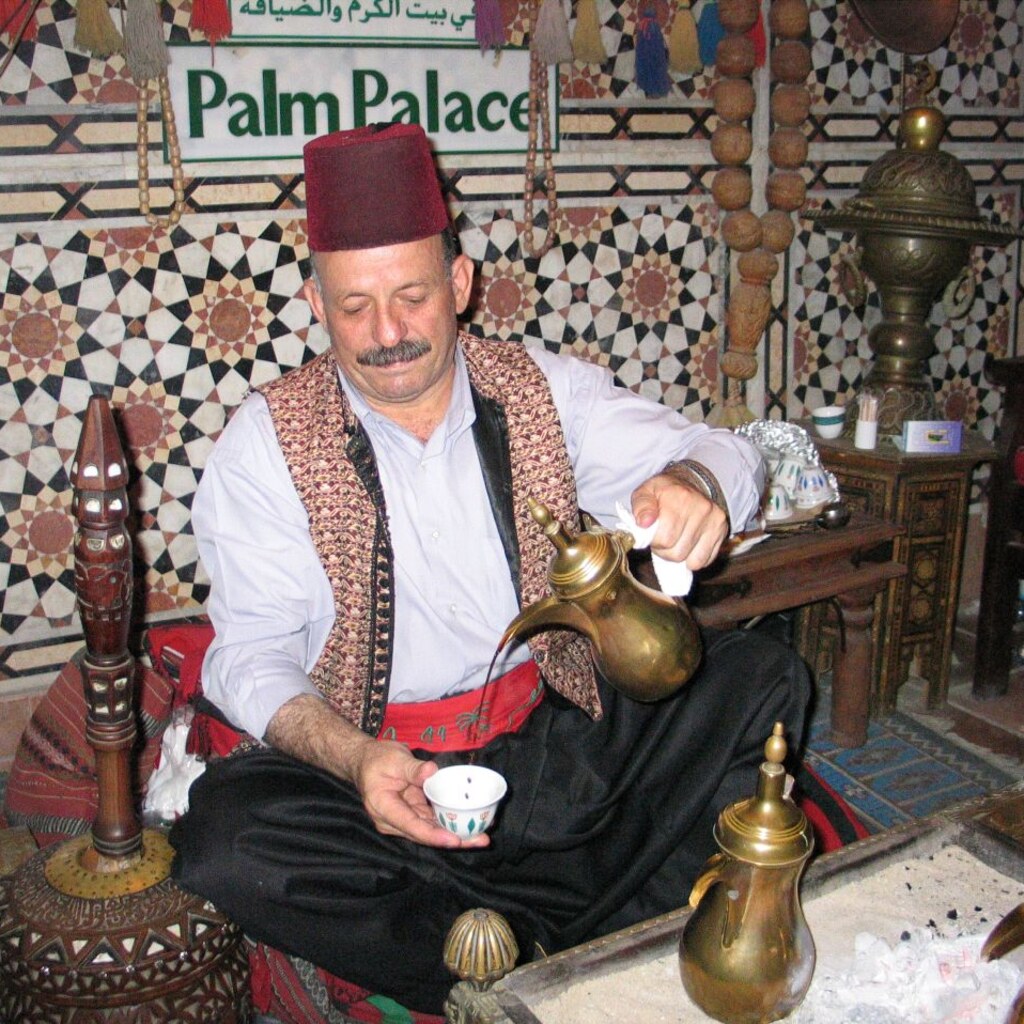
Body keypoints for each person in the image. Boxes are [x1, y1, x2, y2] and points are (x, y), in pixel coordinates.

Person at [169, 122, 810, 1015]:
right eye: (354, 307)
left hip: (553, 741)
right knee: (226, 843)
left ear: (460, 285)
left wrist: (697, 484)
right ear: (318, 306)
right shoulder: (265, 445)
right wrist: (355, 758)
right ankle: (559, 939)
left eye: (412, 297)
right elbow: (247, 656)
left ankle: (498, 936)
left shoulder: (543, 391)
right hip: (381, 777)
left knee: (762, 674)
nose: (386, 333)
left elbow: (723, 451)